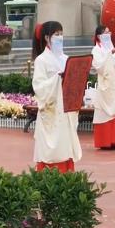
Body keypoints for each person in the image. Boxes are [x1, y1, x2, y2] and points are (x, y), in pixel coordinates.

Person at [31, 21, 81, 173]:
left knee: (65, 145)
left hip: (66, 110)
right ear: (47, 37)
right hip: (51, 111)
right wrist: (57, 79)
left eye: (61, 34)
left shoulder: (66, 59)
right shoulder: (41, 60)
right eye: (56, 34)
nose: (60, 37)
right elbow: (39, 87)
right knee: (52, 149)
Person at [91, 25, 115, 150]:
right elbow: (99, 67)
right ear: (99, 36)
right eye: (106, 32)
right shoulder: (96, 50)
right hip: (106, 86)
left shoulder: (111, 48)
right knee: (106, 113)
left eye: (109, 32)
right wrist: (109, 54)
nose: (109, 34)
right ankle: (105, 141)